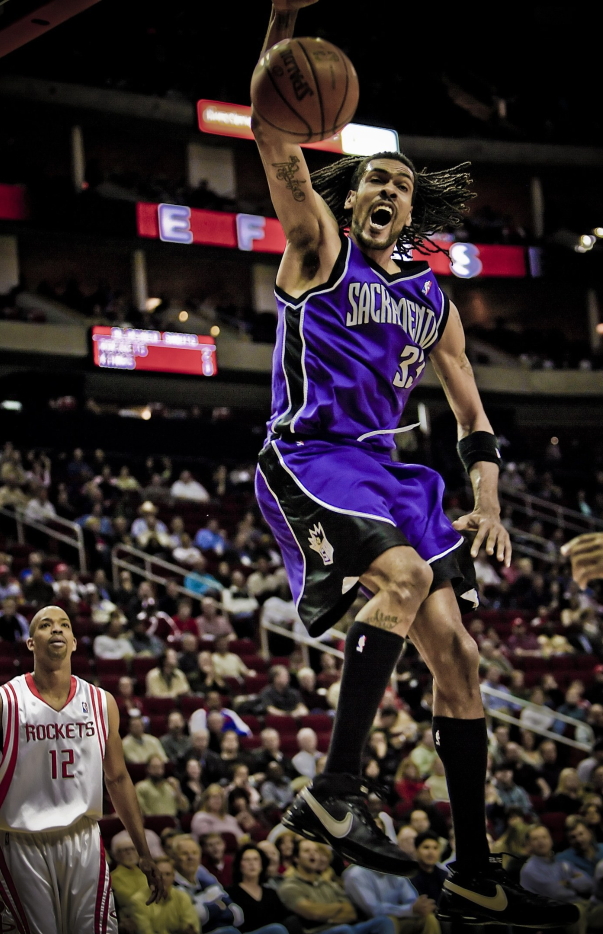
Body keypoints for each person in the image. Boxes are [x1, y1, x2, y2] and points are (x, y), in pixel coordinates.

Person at [250, 3, 574, 927]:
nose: (388, 190)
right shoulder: (315, 246)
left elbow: (470, 414)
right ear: (350, 198)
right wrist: (277, 32)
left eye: (401, 182)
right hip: (311, 455)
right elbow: (275, 140)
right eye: (374, 181)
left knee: (460, 661)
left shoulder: (433, 298)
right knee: (394, 578)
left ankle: (474, 868)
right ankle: (336, 788)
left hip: (396, 477)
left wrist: (488, 499)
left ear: (411, 205)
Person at [0, 604, 162, 932]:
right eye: (46, 625)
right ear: (31, 642)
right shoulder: (2, 701)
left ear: (75, 642)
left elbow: (118, 778)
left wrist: (144, 851)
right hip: (21, 843)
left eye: (64, 624)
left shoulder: (100, 702)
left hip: (84, 841)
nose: (57, 629)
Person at [278, 837, 393, 934]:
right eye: (307, 851)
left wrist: (328, 916)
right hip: (319, 931)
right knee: (344, 930)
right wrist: (339, 907)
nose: (313, 854)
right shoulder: (289, 886)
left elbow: (351, 912)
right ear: (296, 858)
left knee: (383, 922)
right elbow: (312, 913)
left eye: (316, 851)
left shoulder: (327, 882)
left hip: (345, 927)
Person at [520, 824, 603, 934]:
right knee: (575, 911)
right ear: (528, 844)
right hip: (553, 912)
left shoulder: (560, 862)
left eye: (544, 837)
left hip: (583, 905)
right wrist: (573, 882)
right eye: (535, 839)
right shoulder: (530, 869)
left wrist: (569, 882)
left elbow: (589, 884)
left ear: (551, 840)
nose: (541, 841)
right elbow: (556, 892)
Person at [171, 835, 244, 932]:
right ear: (174, 857)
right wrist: (219, 907)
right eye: (184, 853)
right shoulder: (172, 885)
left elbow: (238, 915)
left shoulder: (207, 881)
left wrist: (207, 910)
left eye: (195, 853)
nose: (191, 857)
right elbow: (193, 918)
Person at [344, 862, 441, 934]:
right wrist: (410, 909)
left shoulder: (395, 871)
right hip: (369, 922)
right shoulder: (355, 875)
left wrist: (420, 906)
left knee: (429, 917)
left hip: (398, 917)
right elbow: (374, 911)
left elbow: (411, 900)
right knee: (388, 921)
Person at [227, 844, 296, 934]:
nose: (252, 863)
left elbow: (284, 917)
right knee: (277, 929)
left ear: (262, 864)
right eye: (247, 860)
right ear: (239, 865)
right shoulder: (231, 893)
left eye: (256, 859)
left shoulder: (270, 893)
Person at [129, 856, 202, 934]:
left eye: (168, 874)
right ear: (151, 876)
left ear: (173, 877)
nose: (163, 878)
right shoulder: (138, 900)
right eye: (159, 874)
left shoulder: (182, 897)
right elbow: (145, 931)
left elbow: (191, 928)